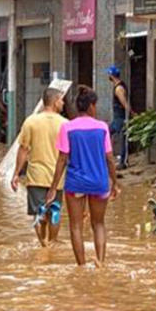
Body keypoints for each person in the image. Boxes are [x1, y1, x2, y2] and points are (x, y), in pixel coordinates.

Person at [45, 85, 120, 266]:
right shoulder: (102, 128)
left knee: (76, 226)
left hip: (76, 183)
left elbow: (62, 160)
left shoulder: (67, 128)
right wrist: (115, 183)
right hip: (99, 182)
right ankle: (100, 262)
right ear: (92, 106)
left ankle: (81, 266)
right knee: (99, 224)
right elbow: (109, 158)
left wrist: (53, 188)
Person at [11, 87, 67, 247]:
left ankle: (43, 244)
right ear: (56, 101)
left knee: (39, 213)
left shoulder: (31, 121)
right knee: (54, 213)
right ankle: (52, 243)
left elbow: (23, 149)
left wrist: (16, 173)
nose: (63, 103)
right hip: (57, 178)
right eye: (61, 100)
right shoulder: (65, 124)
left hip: (36, 177)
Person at [108, 66, 131, 169]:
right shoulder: (118, 86)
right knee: (109, 132)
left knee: (122, 137)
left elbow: (124, 102)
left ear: (112, 75)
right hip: (118, 116)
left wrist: (130, 112)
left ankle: (123, 161)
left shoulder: (118, 88)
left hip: (120, 117)